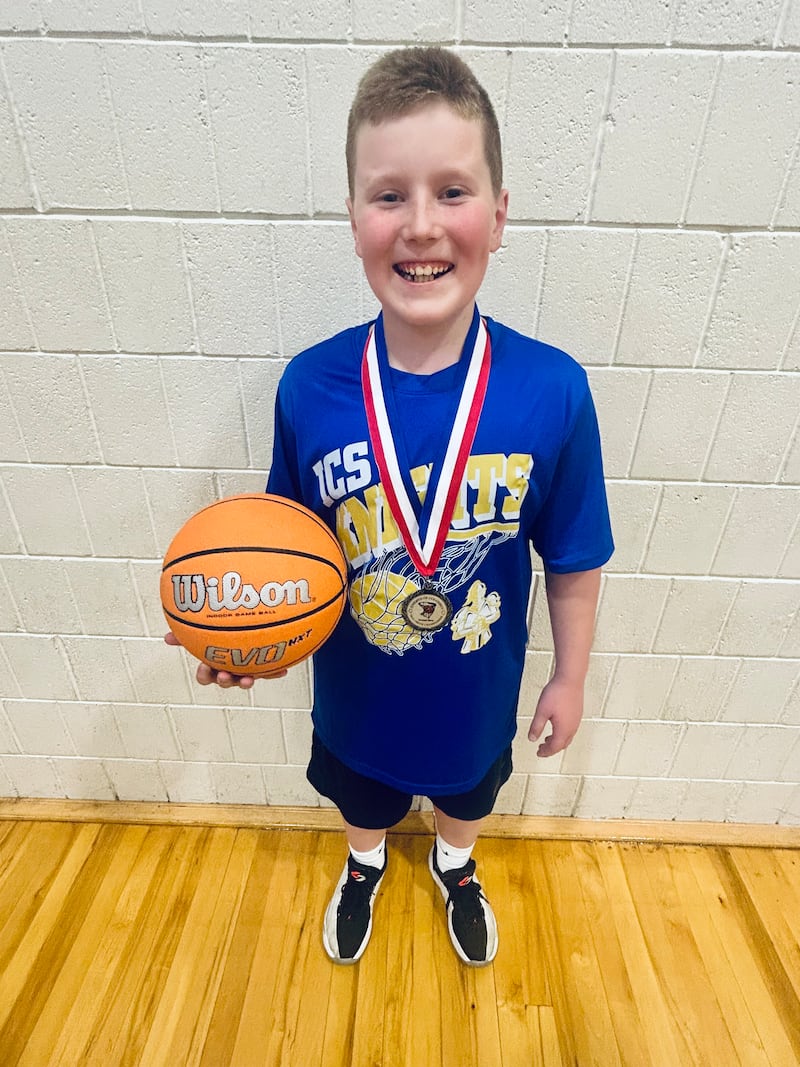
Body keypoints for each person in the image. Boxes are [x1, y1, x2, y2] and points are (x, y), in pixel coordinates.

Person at [166, 46, 613, 967]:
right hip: (358, 700)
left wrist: (569, 677)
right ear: (354, 218)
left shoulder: (553, 391)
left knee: (466, 802)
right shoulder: (310, 387)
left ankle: (456, 865)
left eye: (452, 192)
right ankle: (364, 866)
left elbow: (571, 558)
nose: (420, 226)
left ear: (498, 215)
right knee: (361, 804)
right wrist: (240, 638)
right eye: (388, 195)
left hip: (476, 700)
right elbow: (277, 554)